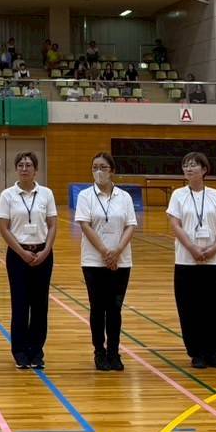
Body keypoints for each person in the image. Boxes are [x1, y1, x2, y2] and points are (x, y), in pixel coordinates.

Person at [167, 152, 216, 369]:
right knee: (190, 309)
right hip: (187, 261)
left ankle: (215, 353)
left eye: (193, 165)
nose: (188, 168)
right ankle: (197, 353)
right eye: (185, 165)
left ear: (204, 169)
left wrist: (213, 248)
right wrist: (192, 248)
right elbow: (175, 224)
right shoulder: (178, 195)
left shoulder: (215, 195)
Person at [76, 151, 137, 371]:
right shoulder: (85, 196)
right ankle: (99, 352)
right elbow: (85, 225)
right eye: (95, 168)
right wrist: (104, 252)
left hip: (121, 261)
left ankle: (113, 352)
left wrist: (117, 251)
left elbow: (130, 225)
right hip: (93, 261)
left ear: (112, 170)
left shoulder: (124, 197)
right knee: (97, 308)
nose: (98, 172)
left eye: (103, 167)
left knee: (114, 308)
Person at [0, 151, 57, 369]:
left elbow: (52, 224)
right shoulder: (7, 195)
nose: (24, 168)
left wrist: (46, 250)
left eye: (28, 165)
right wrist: (22, 253)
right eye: (20, 165)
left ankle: (36, 351)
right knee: (20, 304)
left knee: (40, 305)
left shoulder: (46, 194)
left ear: (35, 169)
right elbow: (3, 228)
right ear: (16, 169)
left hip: (43, 254)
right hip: (17, 255)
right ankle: (20, 351)